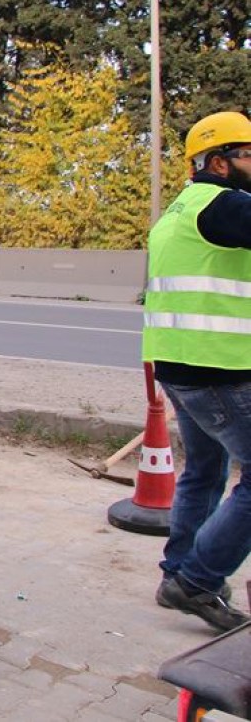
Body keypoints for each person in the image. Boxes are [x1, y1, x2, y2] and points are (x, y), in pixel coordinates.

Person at [143, 110, 251, 633]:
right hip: (218, 370)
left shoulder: (178, 211)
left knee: (205, 470)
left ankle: (178, 570)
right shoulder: (225, 206)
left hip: (180, 369)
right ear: (219, 163)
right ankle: (197, 580)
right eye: (248, 154)